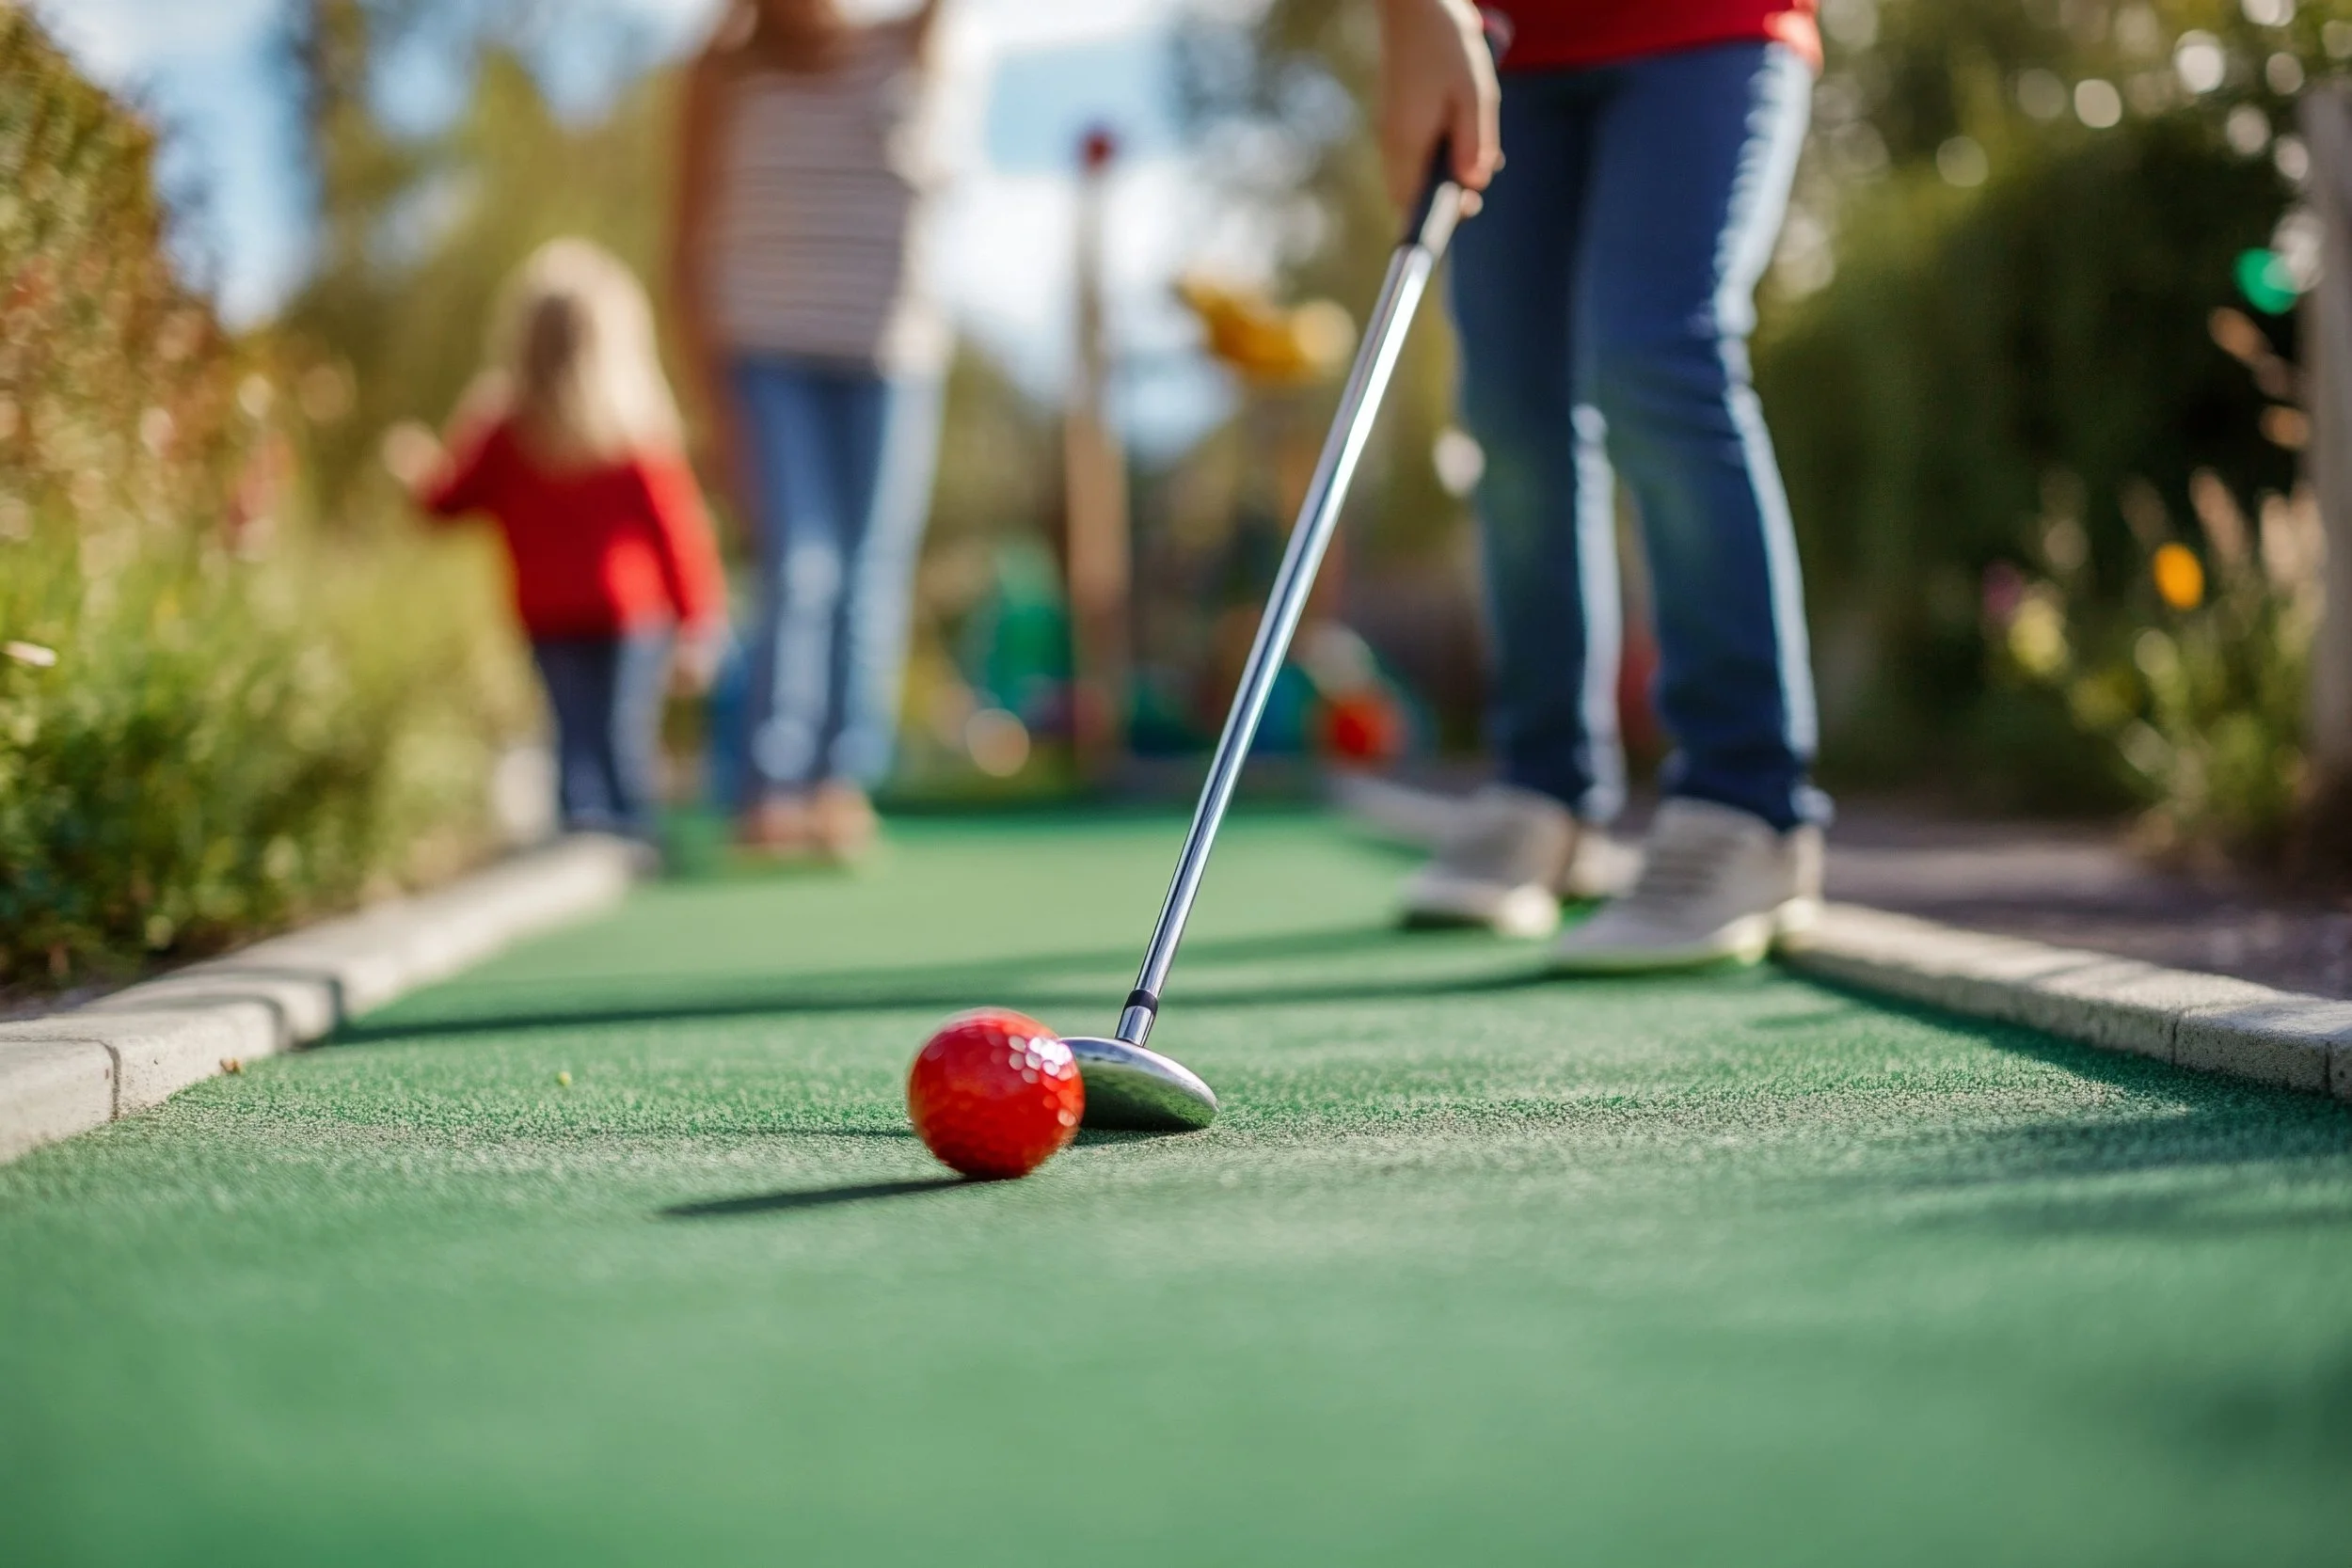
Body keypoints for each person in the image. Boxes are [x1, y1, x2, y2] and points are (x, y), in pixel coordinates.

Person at [1381, 0, 1828, 970]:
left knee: (1656, 356)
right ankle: (1545, 793)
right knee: (1509, 413)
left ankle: (1746, 806)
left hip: (1707, 25)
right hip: (1509, 48)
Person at [672, 0, 950, 863]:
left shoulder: (907, 44)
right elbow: (683, 239)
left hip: (888, 352)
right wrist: (709, 395)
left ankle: (838, 780)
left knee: (871, 568)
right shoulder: (721, 68)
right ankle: (769, 782)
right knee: (798, 562)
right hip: (763, 348)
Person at [385, 238, 729, 841]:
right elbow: (682, 536)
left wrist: (418, 475)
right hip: (622, 616)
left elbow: (445, 505)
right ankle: (625, 842)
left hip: (566, 616)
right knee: (612, 737)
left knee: (579, 737)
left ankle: (596, 841)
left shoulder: (513, 432)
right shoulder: (629, 434)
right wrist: (698, 620)